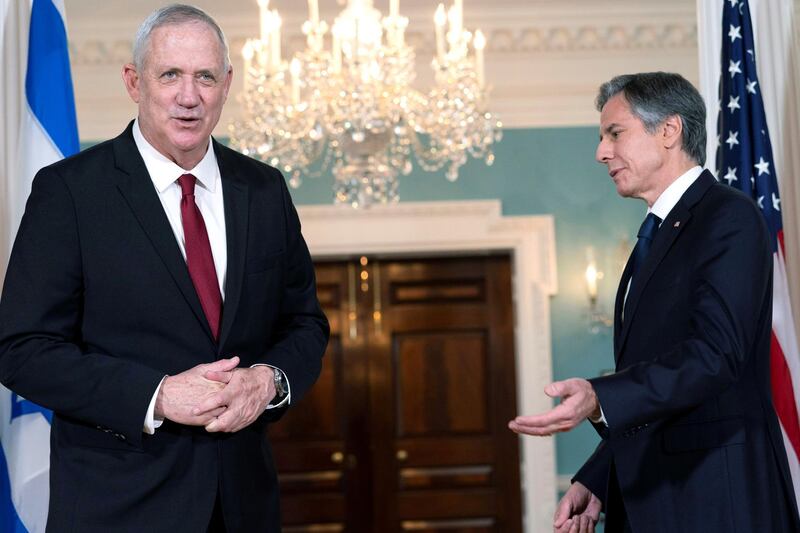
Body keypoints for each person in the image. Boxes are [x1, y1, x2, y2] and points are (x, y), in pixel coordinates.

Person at [0, 4, 329, 532]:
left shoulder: (264, 189)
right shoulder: (70, 192)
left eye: (205, 77)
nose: (189, 96)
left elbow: (305, 323)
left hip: (244, 506)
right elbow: (22, 350)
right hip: (119, 508)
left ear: (226, 84)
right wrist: (156, 394)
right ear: (134, 82)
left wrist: (268, 381)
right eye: (170, 74)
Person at [509, 72, 800, 532]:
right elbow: (661, 391)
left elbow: (714, 357)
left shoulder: (728, 217)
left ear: (669, 130)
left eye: (615, 133)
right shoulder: (658, 234)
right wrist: (599, 478)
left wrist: (599, 396)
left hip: (715, 504)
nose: (601, 152)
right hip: (659, 500)